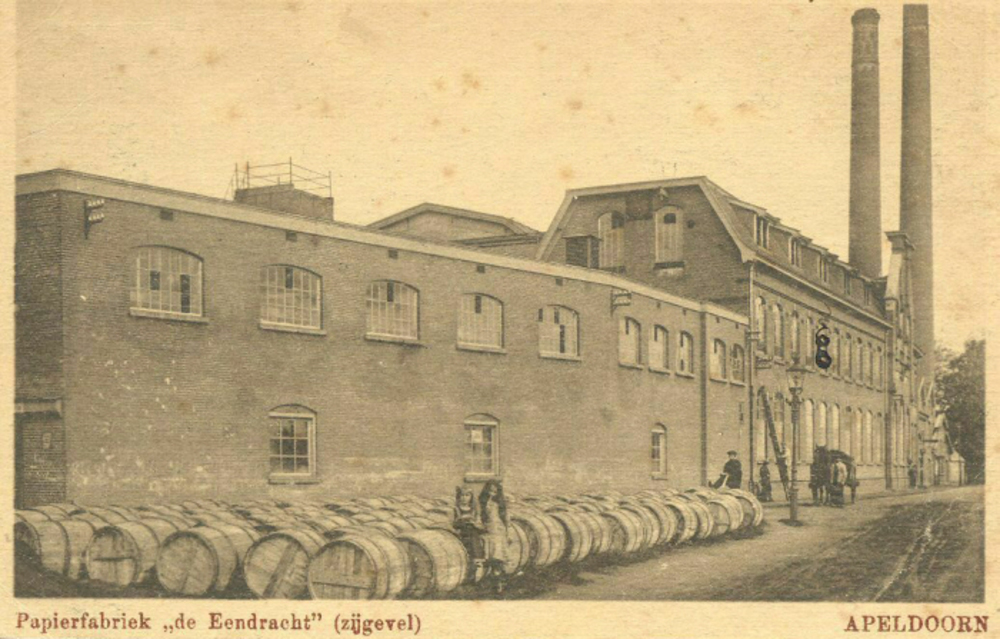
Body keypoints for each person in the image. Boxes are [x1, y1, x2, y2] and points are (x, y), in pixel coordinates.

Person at [478, 479, 511, 594]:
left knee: (498, 555)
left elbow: (505, 518)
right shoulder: (482, 502)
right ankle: (493, 581)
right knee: (489, 555)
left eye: (495, 491)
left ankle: (499, 583)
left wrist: (507, 532)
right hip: (487, 529)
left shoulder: (499, 504)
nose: (492, 493)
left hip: (498, 530)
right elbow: (480, 516)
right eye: (490, 491)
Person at [452, 486, 484, 581]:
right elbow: (453, 523)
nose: (464, 498)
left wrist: (474, 523)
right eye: (462, 495)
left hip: (472, 531)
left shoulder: (474, 510)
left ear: (471, 497)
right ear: (459, 497)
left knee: (474, 536)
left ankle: (477, 563)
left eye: (467, 495)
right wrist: (461, 521)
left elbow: (479, 523)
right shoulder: (456, 509)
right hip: (461, 531)